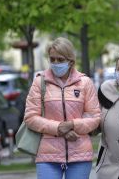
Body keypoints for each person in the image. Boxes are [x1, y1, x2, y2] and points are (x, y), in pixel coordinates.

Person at [24, 37, 101, 179]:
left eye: (60, 59)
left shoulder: (85, 83)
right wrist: (59, 128)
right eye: (52, 59)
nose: (55, 63)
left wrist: (72, 125)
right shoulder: (40, 82)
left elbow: (94, 116)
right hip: (47, 155)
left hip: (80, 153)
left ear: (70, 60)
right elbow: (30, 117)